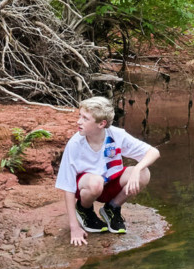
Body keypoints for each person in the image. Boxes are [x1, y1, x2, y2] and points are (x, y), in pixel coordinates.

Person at [57, 96, 160, 245]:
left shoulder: (116, 134)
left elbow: (153, 152)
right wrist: (74, 228)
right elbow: (67, 186)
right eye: (80, 116)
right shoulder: (75, 144)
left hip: (110, 184)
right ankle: (84, 210)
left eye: (85, 118)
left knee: (144, 173)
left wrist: (137, 169)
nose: (79, 121)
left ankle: (112, 208)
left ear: (101, 124)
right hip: (89, 187)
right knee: (96, 182)